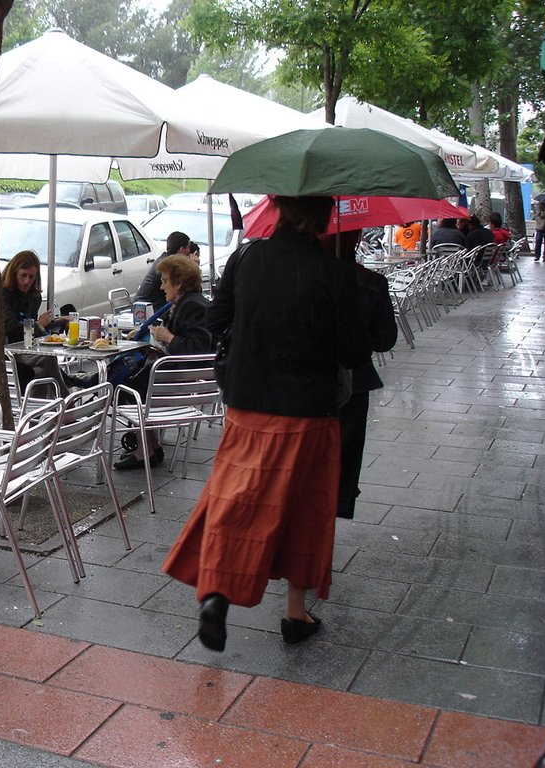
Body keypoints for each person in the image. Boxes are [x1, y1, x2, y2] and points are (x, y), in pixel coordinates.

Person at [162, 195, 370, 653]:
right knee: (305, 510)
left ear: (279, 209)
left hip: (247, 403)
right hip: (308, 410)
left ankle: (216, 593)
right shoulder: (334, 272)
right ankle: (296, 612)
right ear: (322, 216)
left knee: (233, 497)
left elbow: (217, 321)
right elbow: (355, 353)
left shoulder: (247, 257)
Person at [114, 255, 212, 471]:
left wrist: (168, 338)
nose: (161, 285)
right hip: (176, 377)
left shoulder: (192, 306)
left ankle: (145, 451)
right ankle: (151, 447)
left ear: (179, 283)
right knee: (132, 381)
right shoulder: (185, 303)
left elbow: (199, 349)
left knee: (127, 388)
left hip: (183, 382)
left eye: (165, 280)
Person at [326, 230, 399, 519]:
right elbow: (385, 340)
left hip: (301, 381)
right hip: (354, 380)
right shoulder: (370, 282)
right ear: (355, 239)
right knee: (344, 455)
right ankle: (337, 504)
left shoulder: (295, 278)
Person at [1, 250, 95, 395]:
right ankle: (67, 399)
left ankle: (50, 405)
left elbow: (31, 327)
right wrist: (39, 325)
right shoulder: (3, 294)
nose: (27, 281)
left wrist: (57, 321)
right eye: (23, 275)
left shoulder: (34, 296)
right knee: (47, 358)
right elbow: (12, 329)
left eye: (31, 277)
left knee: (43, 367)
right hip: (9, 349)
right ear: (14, 273)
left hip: (27, 346)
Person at [135, 230, 191, 307]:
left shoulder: (164, 259)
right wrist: (193, 267)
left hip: (148, 305)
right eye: (188, 248)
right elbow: (187, 291)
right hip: (151, 309)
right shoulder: (169, 265)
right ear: (181, 249)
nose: (189, 251)